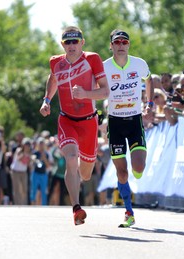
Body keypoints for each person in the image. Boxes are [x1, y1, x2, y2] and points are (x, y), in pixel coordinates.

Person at [39, 26, 109, 225]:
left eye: (75, 41)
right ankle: (76, 208)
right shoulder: (55, 62)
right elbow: (52, 79)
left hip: (89, 122)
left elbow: (105, 92)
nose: (71, 46)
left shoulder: (92, 59)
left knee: (85, 174)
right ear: (62, 44)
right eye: (67, 42)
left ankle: (79, 172)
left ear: (82, 43)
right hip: (66, 119)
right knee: (70, 158)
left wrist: (86, 94)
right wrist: (46, 100)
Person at [103, 29, 153, 227]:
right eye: (117, 42)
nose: (121, 45)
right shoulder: (104, 67)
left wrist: (149, 103)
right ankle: (128, 211)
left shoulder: (139, 64)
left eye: (124, 42)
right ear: (112, 46)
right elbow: (95, 88)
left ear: (129, 45)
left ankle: (134, 177)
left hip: (134, 120)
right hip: (115, 122)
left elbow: (149, 79)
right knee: (122, 173)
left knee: (138, 168)